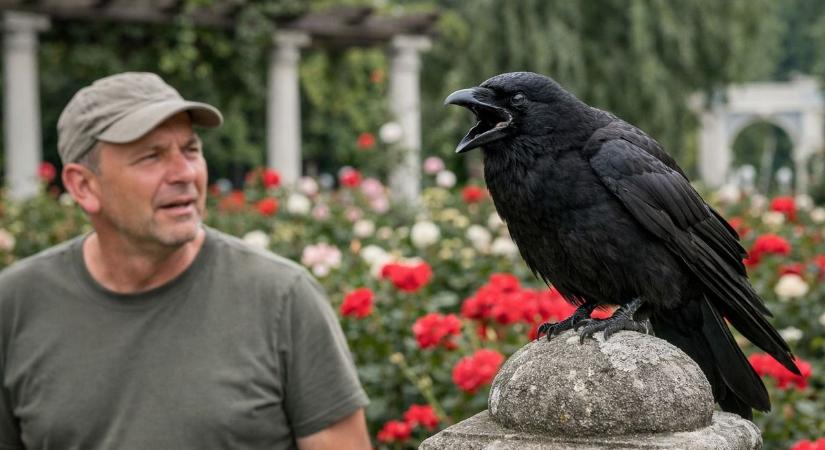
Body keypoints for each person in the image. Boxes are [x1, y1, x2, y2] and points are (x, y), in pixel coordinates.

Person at [0, 72, 370, 449]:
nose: (185, 173)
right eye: (151, 156)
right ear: (83, 185)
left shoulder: (283, 298)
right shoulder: (14, 305)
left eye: (191, 150)